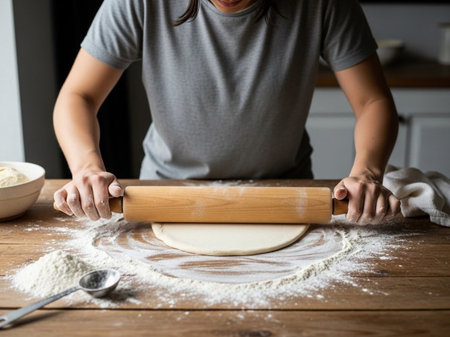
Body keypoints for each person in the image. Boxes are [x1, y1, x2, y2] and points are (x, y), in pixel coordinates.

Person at [53, 0, 401, 224]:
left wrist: (367, 173)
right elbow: (78, 95)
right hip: (164, 193)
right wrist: (86, 168)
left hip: (284, 194)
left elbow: (373, 101)